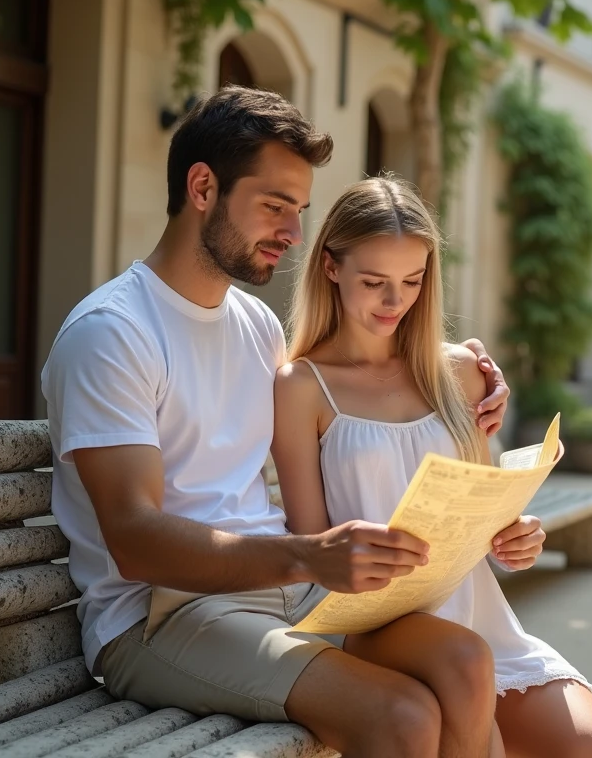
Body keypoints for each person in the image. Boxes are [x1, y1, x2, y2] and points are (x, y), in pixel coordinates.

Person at [40, 87, 515, 758]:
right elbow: (136, 540)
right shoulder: (112, 334)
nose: (293, 233)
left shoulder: (254, 323)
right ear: (203, 187)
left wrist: (471, 369)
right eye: (274, 207)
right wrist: (306, 555)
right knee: (403, 717)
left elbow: (357, 370)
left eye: (299, 210)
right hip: (161, 618)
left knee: (465, 664)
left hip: (284, 592)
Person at [274, 176, 592, 756]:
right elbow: (310, 543)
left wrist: (518, 534)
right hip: (371, 621)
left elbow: (483, 510)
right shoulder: (302, 386)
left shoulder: (459, 372)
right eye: (374, 282)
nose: (395, 302)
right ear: (331, 267)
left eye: (412, 281)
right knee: (465, 674)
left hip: (473, 611)